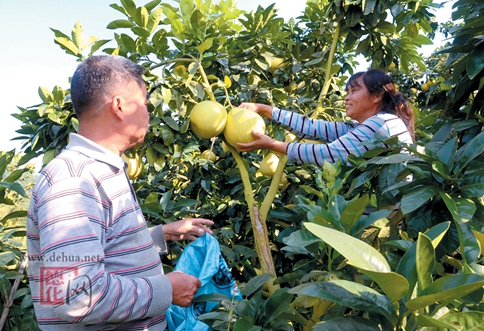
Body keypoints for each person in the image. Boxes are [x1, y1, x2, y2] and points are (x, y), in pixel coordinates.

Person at [26, 55, 214, 330]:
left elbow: (99, 247)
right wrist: (166, 290)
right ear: (120, 106)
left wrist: (161, 235)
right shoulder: (73, 182)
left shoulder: (98, 171)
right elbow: (76, 296)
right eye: (145, 103)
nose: (148, 113)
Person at [237, 69, 415, 166]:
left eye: (353, 91)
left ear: (376, 96)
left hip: (390, 219)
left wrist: (272, 144)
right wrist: (263, 108)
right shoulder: (362, 127)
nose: (347, 98)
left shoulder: (381, 124)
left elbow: (328, 154)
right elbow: (311, 127)